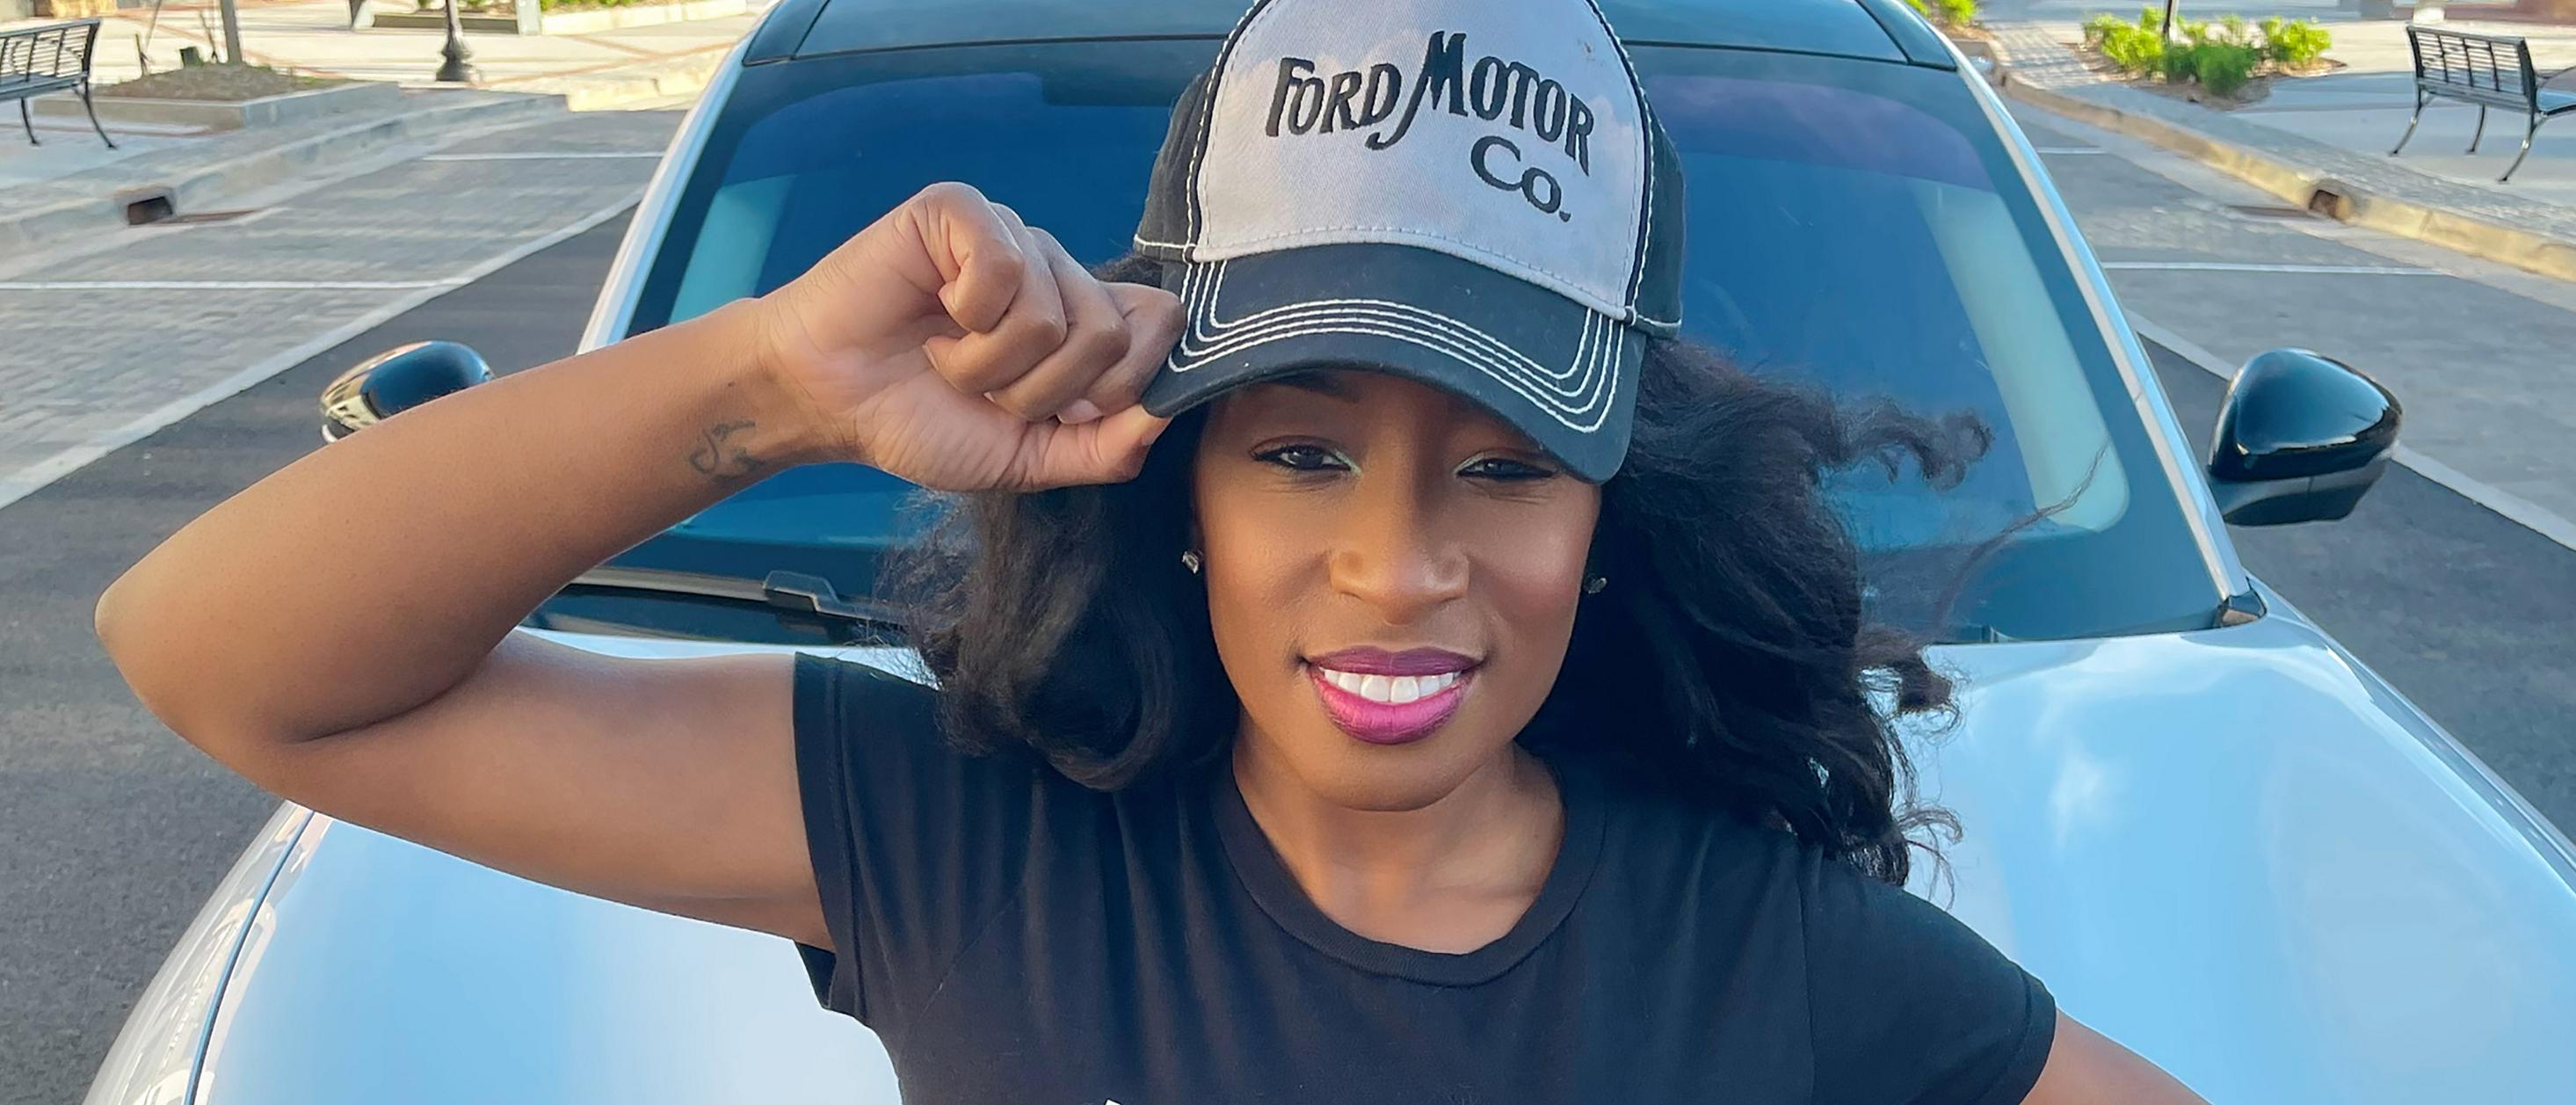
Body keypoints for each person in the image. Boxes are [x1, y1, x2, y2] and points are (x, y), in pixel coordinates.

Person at [97, 0, 2212, 1101]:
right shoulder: (962, 834)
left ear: (1608, 522)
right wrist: (769, 380)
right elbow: (215, 654)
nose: (1394, 564)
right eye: (1299, 450)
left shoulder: (1767, 953)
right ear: (1172, 493)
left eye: (1502, 469)